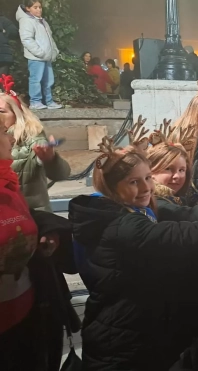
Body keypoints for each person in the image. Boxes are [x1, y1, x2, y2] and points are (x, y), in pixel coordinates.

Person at [68, 132, 198, 370]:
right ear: (111, 186)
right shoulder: (124, 225)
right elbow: (189, 234)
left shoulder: (130, 212)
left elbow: (186, 219)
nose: (147, 188)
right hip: (122, 342)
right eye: (134, 182)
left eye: (147, 178)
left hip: (137, 332)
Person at [0, 125, 78, 371]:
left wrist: (45, 231)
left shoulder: (7, 180)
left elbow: (24, 216)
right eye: (3, 131)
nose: (11, 137)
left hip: (27, 312)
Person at [0, 82, 70, 211]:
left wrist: (50, 159)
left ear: (17, 115)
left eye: (1, 111)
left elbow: (61, 174)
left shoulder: (32, 138)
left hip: (32, 217)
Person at [16, 1, 61, 110]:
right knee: (36, 80)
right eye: (35, 7)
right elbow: (27, 39)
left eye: (40, 7)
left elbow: (50, 39)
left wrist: (54, 51)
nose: (39, 9)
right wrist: (40, 53)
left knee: (48, 80)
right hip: (36, 57)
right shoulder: (26, 21)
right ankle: (35, 102)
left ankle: (49, 101)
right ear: (28, 8)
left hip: (47, 57)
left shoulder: (42, 21)